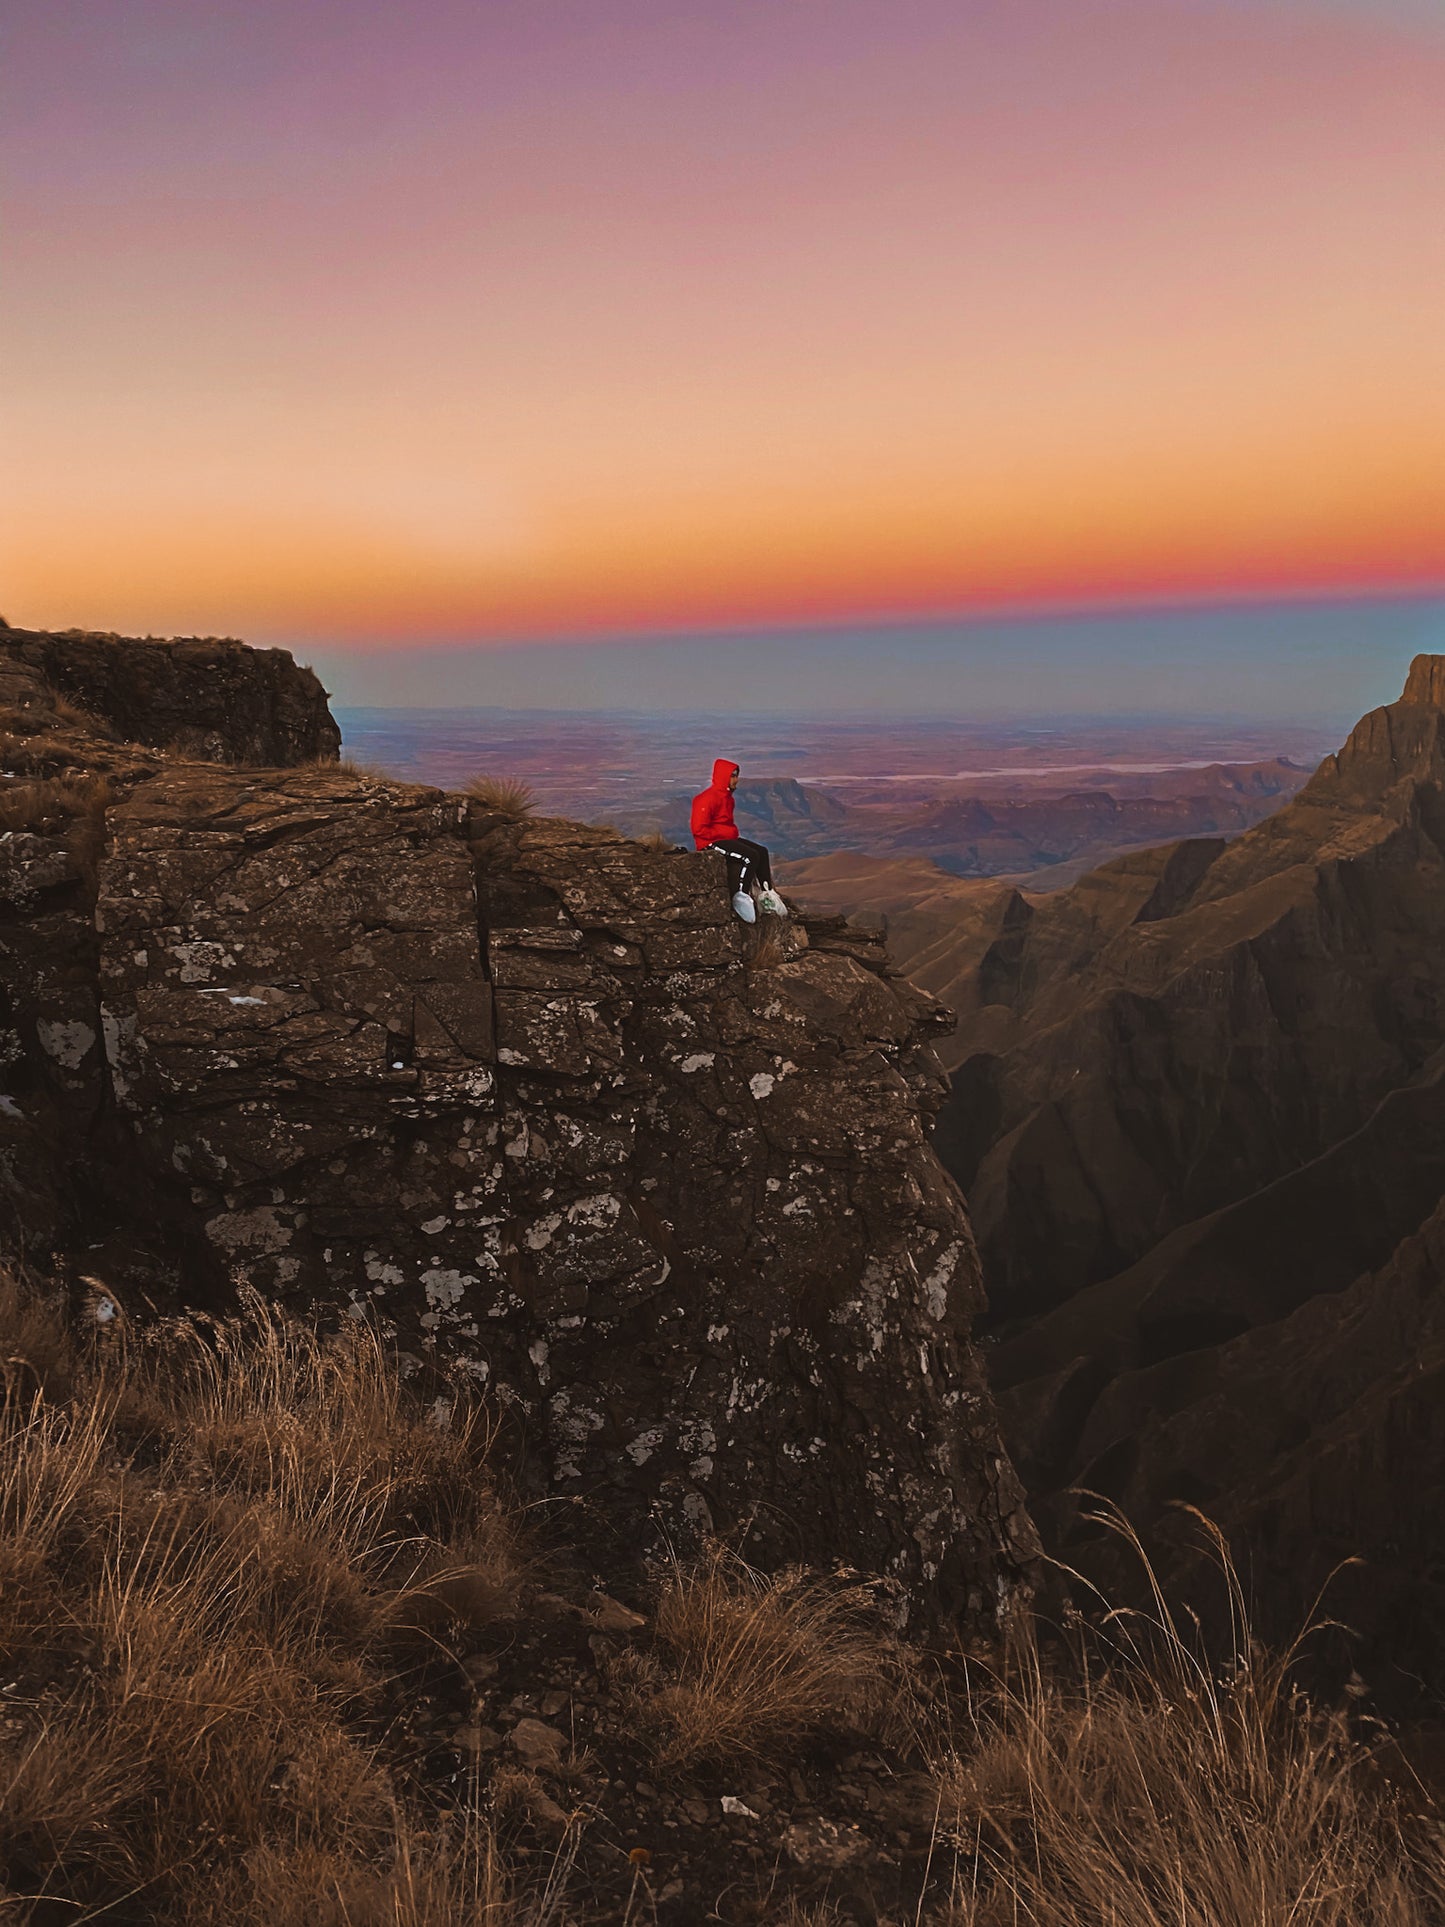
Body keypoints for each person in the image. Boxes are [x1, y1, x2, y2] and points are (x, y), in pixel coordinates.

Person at [689, 758, 788, 923]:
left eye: (736, 775)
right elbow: (698, 829)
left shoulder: (727, 798)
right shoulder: (706, 799)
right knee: (750, 857)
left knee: (762, 851)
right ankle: (740, 897)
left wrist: (728, 833)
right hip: (709, 842)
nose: (736, 779)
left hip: (725, 838)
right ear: (723, 777)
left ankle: (767, 895)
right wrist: (725, 833)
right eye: (732, 776)